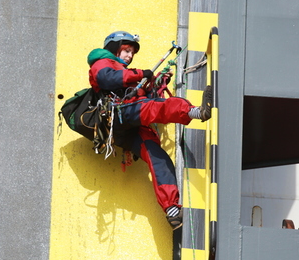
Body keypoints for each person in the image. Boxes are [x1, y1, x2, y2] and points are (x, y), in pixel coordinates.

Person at [87, 31, 212, 230]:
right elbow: (106, 79)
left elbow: (140, 94)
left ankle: (172, 211)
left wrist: (156, 83)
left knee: (158, 157)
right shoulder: (102, 62)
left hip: (129, 126)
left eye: (132, 53)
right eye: (126, 50)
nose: (129, 56)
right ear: (114, 47)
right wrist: (140, 74)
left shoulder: (125, 73)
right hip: (118, 114)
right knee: (155, 107)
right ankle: (195, 112)